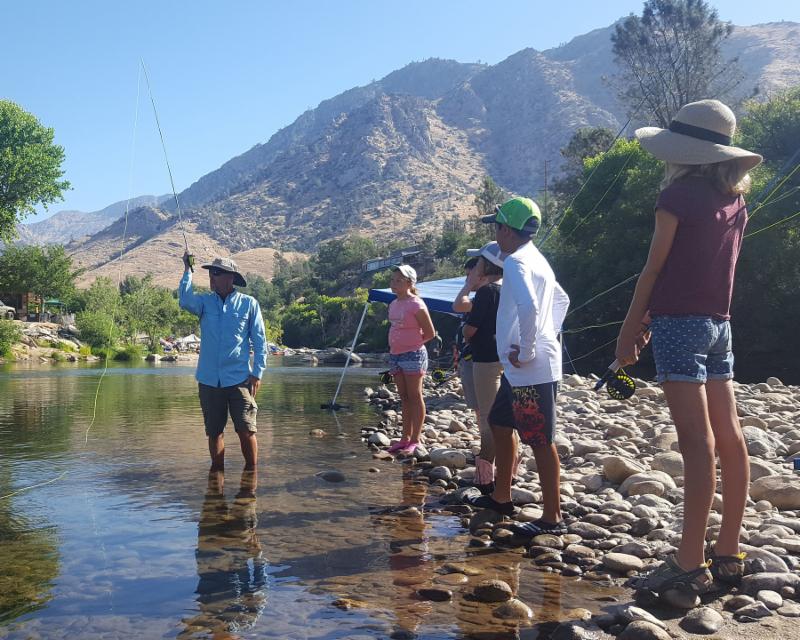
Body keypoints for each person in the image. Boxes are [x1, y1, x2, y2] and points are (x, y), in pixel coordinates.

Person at [615, 100, 762, 600]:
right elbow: (706, 272)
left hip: (679, 327)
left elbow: (654, 270)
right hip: (720, 326)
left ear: (682, 151)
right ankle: (728, 552)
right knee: (731, 437)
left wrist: (629, 330)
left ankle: (688, 560)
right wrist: (655, 317)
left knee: (696, 444)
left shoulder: (676, 196)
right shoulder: (735, 202)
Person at [466, 197, 569, 540]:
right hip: (521, 369)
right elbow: (562, 299)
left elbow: (528, 306)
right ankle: (501, 497)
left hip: (529, 369)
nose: (495, 236)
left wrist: (528, 350)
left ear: (507, 230)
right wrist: (546, 336)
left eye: (496, 228)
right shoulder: (536, 259)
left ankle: (552, 517)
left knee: (539, 440)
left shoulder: (516, 262)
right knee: (499, 422)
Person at [179, 253, 267, 471]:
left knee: (246, 430)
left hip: (240, 379)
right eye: (211, 273)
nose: (212, 277)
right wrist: (187, 270)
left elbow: (260, 341)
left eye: (216, 273)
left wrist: (257, 373)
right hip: (209, 380)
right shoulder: (204, 302)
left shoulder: (249, 304)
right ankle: (217, 478)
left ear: (231, 278)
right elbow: (185, 300)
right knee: (214, 432)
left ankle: (251, 477)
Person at [453, 243, 505, 494]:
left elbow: (470, 330)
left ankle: (485, 480)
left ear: (487, 265)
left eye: (479, 263)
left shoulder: (486, 292)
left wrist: (464, 330)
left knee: (488, 418)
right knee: (501, 418)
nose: (474, 270)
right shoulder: (506, 289)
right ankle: (507, 473)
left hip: (485, 359)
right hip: (502, 357)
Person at [385, 265, 436, 456]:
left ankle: (415, 439)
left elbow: (430, 333)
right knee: (404, 397)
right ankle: (404, 438)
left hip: (413, 354)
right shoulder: (393, 303)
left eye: (399, 280)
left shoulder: (416, 304)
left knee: (415, 396)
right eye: (392, 280)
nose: (394, 283)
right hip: (395, 355)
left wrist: (412, 344)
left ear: (409, 283)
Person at [452, 257, 479, 440]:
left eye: (469, 275)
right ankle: (487, 444)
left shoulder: (485, 296)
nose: (466, 280)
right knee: (478, 408)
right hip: (468, 358)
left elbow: (457, 305)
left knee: (483, 408)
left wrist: (468, 286)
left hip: (478, 358)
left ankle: (490, 448)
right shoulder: (477, 298)